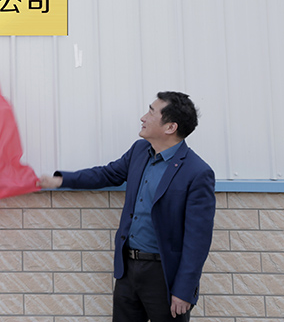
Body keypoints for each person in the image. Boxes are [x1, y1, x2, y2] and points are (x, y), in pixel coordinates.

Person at [38, 91, 215, 322]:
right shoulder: (139, 151)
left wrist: (184, 290)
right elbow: (106, 174)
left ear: (170, 127)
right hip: (128, 270)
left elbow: (198, 241)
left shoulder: (197, 172)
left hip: (164, 275)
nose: (143, 117)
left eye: (151, 112)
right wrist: (60, 181)